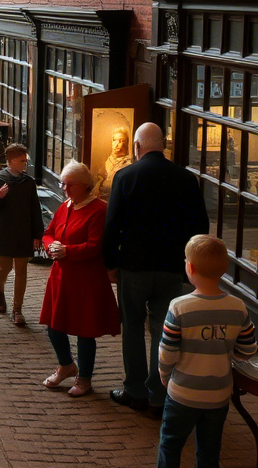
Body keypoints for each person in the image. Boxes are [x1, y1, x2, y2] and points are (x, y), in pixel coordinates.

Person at [103, 122, 209, 417]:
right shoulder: (186, 179)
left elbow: (112, 225)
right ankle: (158, 395)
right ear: (163, 145)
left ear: (137, 147)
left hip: (134, 267)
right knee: (164, 330)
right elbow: (200, 226)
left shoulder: (125, 176)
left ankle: (134, 390)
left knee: (133, 327)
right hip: (172, 267)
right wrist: (189, 264)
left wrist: (110, 262)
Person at [157, 235, 257, 468]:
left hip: (183, 392)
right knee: (210, 449)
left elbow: (167, 351)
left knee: (171, 443)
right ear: (224, 269)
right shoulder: (237, 306)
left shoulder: (179, 307)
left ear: (189, 267)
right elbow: (247, 350)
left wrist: (164, 374)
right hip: (219, 395)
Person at [40, 161, 121, 398]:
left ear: (85, 186)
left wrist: (68, 251)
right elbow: (49, 232)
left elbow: (96, 246)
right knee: (54, 326)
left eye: (70, 185)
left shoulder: (98, 210)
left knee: (84, 331)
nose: (64, 189)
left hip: (86, 279)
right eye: (62, 184)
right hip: (61, 276)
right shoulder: (65, 206)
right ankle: (66, 365)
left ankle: (84, 378)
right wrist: (51, 246)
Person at [0, 143, 44, 327]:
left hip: (24, 232)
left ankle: (17, 309)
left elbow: (35, 209)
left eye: (26, 161)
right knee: (5, 267)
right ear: (10, 161)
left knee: (21, 270)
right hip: (5, 231)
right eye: (21, 161)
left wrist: (37, 235)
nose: (25, 164)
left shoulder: (28, 182)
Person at [92, 126, 133, 203]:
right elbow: (101, 177)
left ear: (126, 143)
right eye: (114, 140)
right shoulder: (108, 160)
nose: (116, 144)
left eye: (121, 141)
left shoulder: (127, 164)